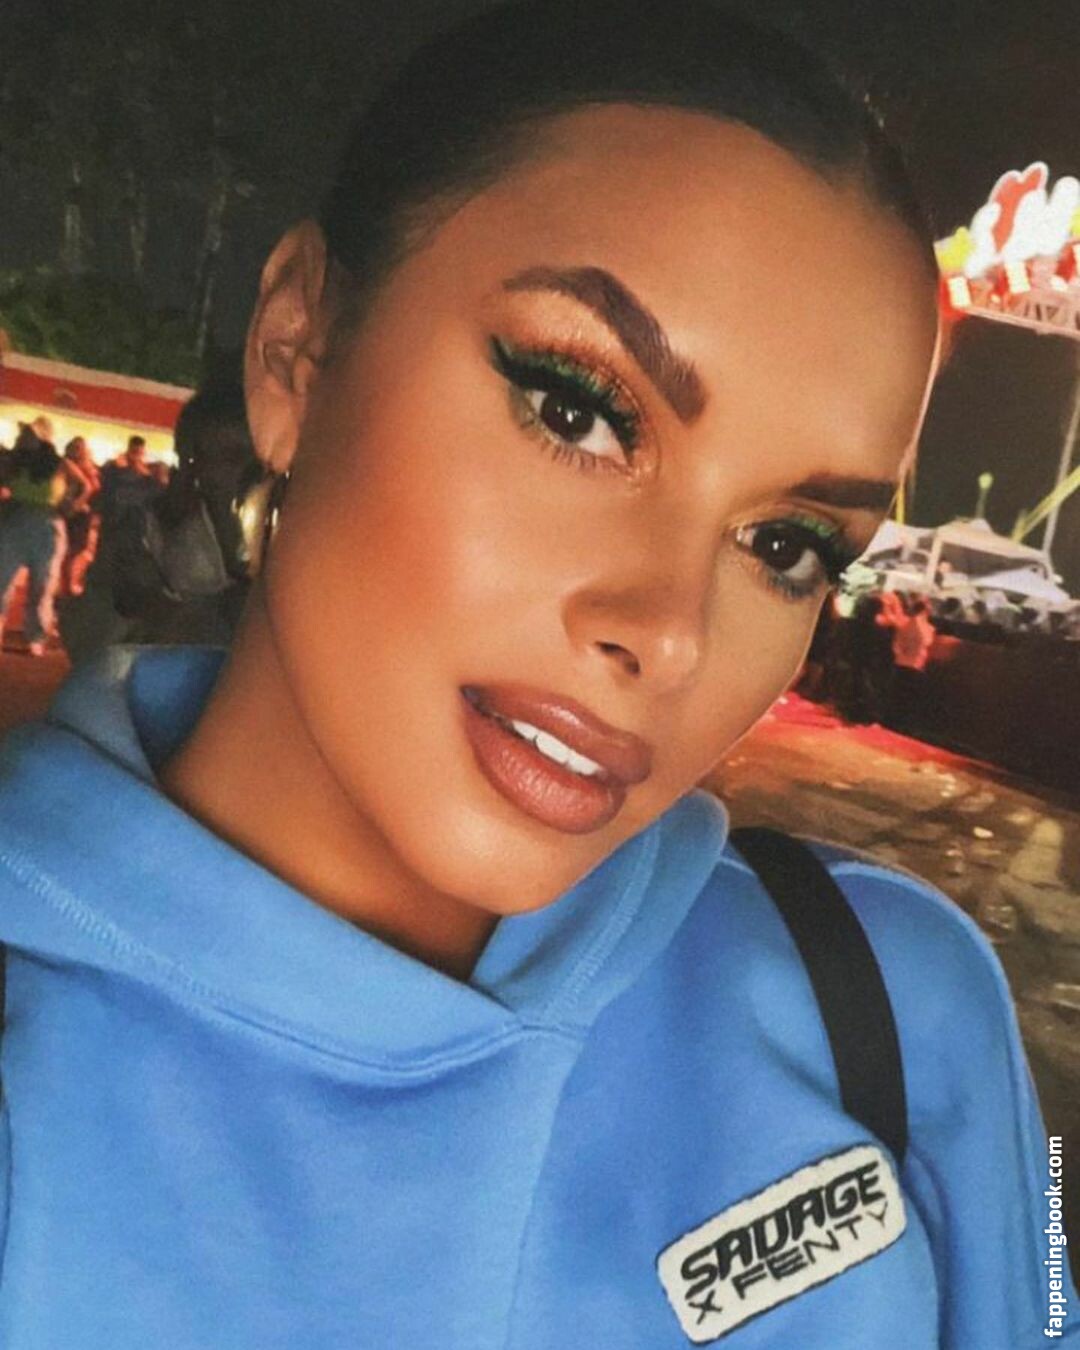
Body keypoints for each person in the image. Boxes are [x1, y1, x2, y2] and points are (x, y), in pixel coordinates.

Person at [0, 4, 1072, 1346]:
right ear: (296, 350)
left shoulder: (895, 1013)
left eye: (787, 545)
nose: (668, 632)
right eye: (578, 409)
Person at [0, 424, 66, 655]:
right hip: (23, 518)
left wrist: (69, 506)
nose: (23, 438)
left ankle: (36, 636)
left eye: (28, 435)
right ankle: (28, 635)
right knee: (4, 579)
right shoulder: (16, 460)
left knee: (41, 583)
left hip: (41, 522)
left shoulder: (53, 462)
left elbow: (83, 483)